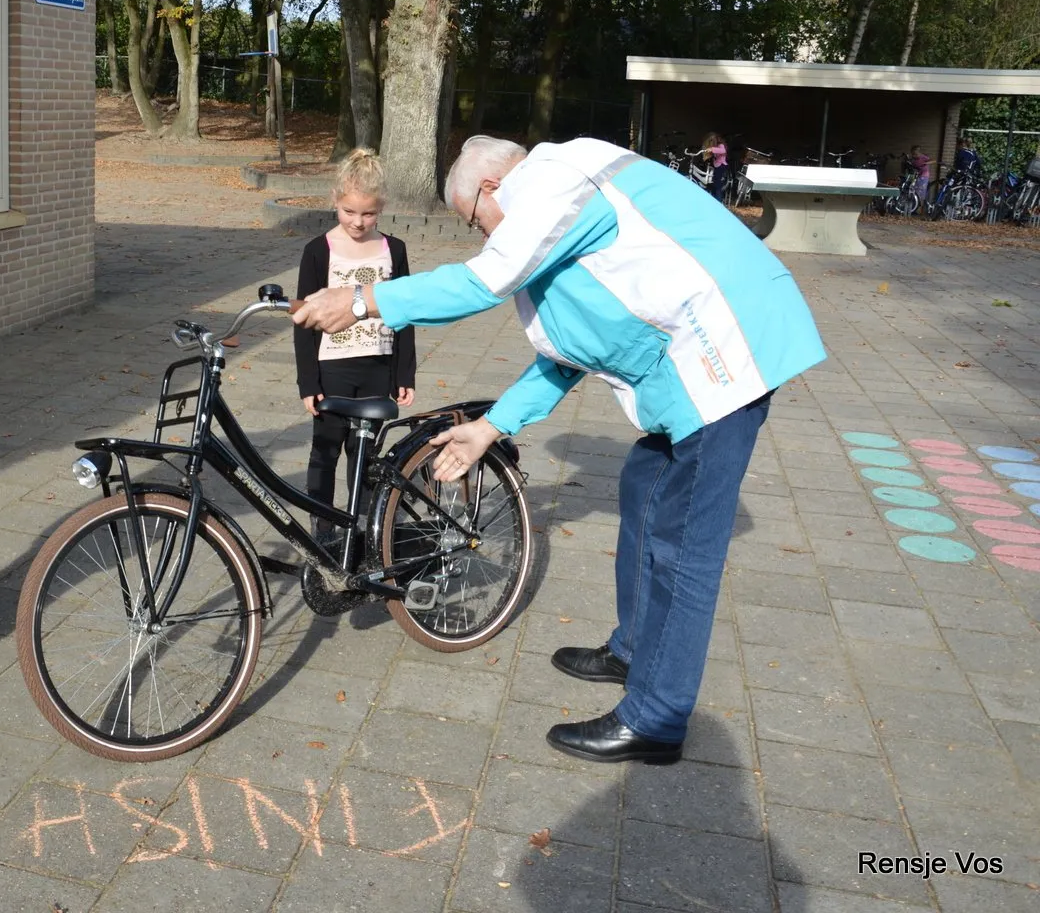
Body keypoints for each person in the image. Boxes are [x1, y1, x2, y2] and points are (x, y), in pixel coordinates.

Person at [293, 136, 826, 764]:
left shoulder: (550, 182)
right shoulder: (552, 206)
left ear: (490, 190)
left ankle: (655, 717)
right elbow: (569, 351)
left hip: (728, 359)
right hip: (684, 365)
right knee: (642, 487)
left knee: (683, 547)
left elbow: (483, 282)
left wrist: (360, 301)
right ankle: (632, 650)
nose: (480, 235)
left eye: (472, 221)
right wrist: (491, 426)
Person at [293, 150, 417, 539]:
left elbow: (404, 313)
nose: (358, 222)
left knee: (365, 454)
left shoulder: (393, 251)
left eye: (368, 214)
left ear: (381, 208)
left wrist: (404, 372)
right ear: (334, 200)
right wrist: (308, 383)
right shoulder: (318, 250)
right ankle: (322, 522)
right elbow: (303, 321)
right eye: (349, 211)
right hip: (331, 369)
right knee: (326, 449)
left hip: (377, 369)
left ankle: (361, 524)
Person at [702, 131, 729, 201]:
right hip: (717, 166)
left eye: (712, 140)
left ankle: (718, 200)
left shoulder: (720, 145)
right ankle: (715, 198)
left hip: (721, 166)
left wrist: (712, 149)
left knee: (717, 185)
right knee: (714, 182)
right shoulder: (715, 146)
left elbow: (723, 151)